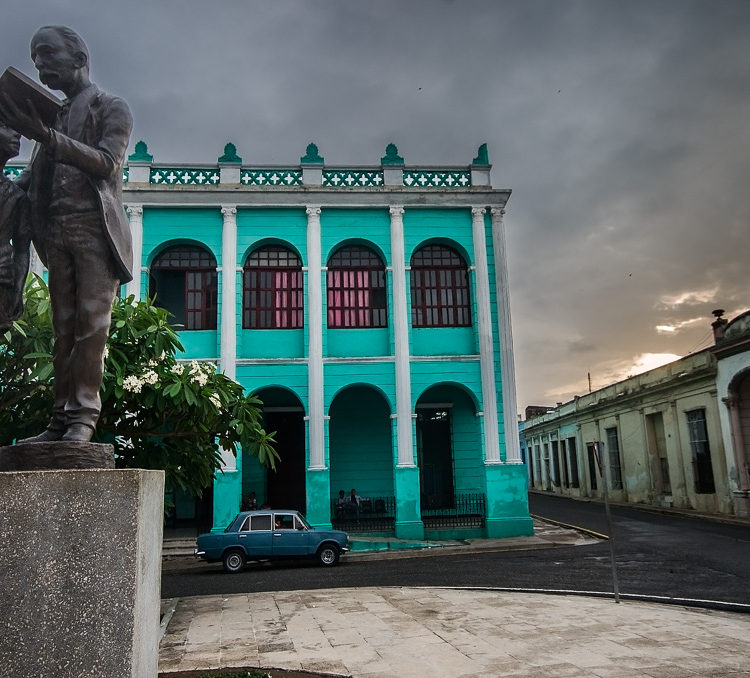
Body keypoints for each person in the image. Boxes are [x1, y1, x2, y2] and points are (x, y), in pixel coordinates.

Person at [0, 26, 133, 443]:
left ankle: (83, 419)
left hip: (93, 231)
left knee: (91, 328)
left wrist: (46, 136)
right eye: (36, 61)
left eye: (47, 58)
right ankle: (59, 420)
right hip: (54, 232)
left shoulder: (110, 107)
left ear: (78, 58)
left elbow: (108, 163)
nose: (40, 68)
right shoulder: (53, 115)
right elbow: (36, 174)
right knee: (63, 331)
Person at [0, 122, 30, 332]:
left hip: (3, 278)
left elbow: (21, 248)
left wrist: (18, 288)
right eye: (5, 126)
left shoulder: (16, 195)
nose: (17, 132)